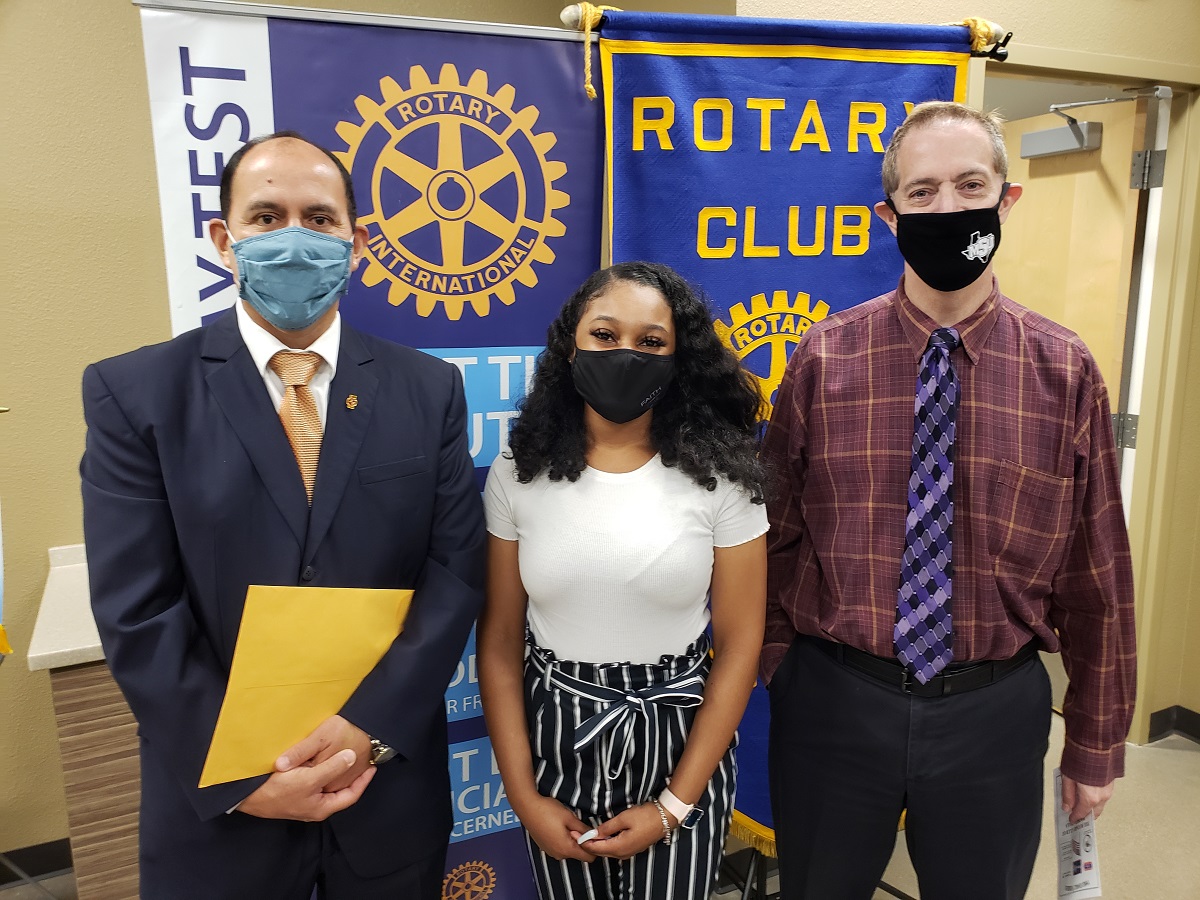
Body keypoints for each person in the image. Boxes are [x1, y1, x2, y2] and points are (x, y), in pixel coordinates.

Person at [80, 131, 485, 899]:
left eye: (319, 218)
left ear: (356, 242)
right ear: (223, 239)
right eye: (266, 217)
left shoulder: (427, 389)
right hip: (221, 811)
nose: (294, 237)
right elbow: (137, 611)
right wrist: (238, 772)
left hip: (384, 797)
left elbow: (454, 573)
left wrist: (370, 730)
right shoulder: (134, 396)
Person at [761, 101, 1136, 900]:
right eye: (923, 192)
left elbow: (1097, 575)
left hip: (992, 715)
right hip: (835, 703)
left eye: (970, 185)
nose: (948, 208)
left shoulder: (1065, 371)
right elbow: (773, 532)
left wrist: (1096, 744)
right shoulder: (825, 358)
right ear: (888, 217)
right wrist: (775, 671)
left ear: (1007, 200)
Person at [477, 262, 768, 899]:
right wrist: (523, 797)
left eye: (651, 342)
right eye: (605, 335)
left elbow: (741, 645)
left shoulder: (721, 475)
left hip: (681, 737)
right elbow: (499, 641)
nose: (625, 354)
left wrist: (673, 805)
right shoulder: (518, 471)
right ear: (570, 346)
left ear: (679, 356)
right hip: (557, 734)